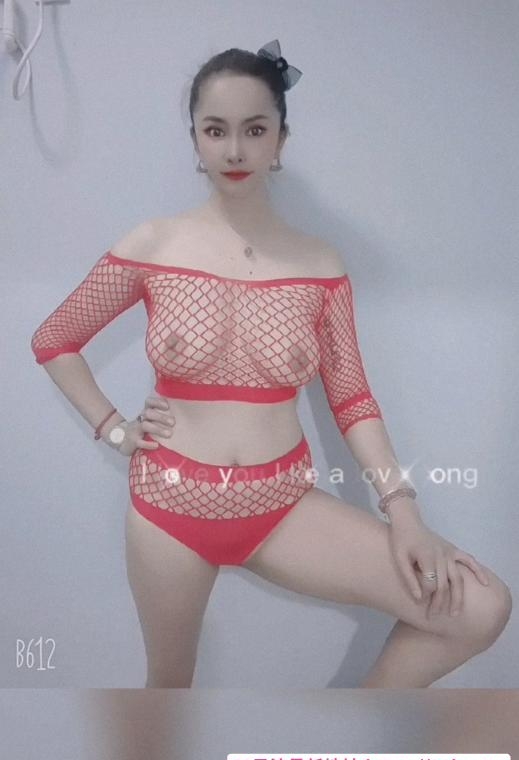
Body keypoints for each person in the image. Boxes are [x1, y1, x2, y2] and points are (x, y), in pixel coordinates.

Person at [30, 39, 512, 689]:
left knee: (479, 606)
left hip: (281, 506)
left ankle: (346, 736)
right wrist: (115, 429)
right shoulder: (153, 244)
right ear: (195, 140)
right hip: (169, 508)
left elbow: (352, 398)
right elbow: (54, 339)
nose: (235, 150)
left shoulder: (319, 263)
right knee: (168, 692)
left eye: (254, 130)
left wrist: (403, 512)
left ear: (281, 139)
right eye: (215, 130)